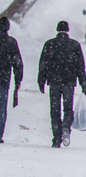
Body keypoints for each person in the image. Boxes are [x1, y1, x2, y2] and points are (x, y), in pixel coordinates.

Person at [37, 20, 86, 148]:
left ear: (57, 29)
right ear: (67, 30)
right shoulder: (74, 45)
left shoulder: (50, 44)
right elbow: (81, 66)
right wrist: (83, 82)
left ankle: (56, 137)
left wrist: (41, 80)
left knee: (55, 109)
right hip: (69, 81)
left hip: (54, 81)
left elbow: (43, 64)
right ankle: (65, 127)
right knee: (68, 108)